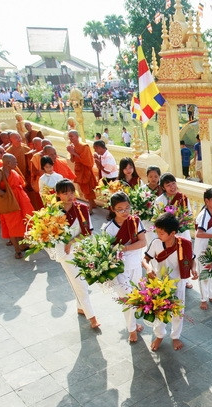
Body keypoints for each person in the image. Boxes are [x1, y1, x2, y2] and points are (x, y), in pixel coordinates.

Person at [142, 212, 198, 351]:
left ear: (172, 233)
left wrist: (194, 269)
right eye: (157, 232)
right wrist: (149, 268)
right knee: (159, 310)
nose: (158, 235)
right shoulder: (156, 243)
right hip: (159, 283)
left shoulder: (184, 244)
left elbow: (192, 259)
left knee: (177, 311)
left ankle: (175, 336)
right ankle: (159, 335)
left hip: (178, 283)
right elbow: (145, 259)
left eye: (161, 233)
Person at [102, 192, 147, 343]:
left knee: (135, 295)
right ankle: (132, 329)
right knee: (127, 298)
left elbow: (142, 242)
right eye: (120, 209)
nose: (125, 212)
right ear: (113, 209)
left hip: (135, 265)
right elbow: (107, 252)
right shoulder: (109, 228)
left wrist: (125, 249)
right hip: (119, 268)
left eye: (127, 208)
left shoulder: (135, 221)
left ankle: (133, 323)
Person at [54, 179, 100, 329]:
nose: (69, 195)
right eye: (65, 193)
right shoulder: (53, 212)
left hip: (80, 248)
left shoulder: (82, 208)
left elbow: (88, 232)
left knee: (82, 281)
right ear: (58, 195)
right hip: (64, 252)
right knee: (79, 283)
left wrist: (71, 242)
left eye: (72, 192)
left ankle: (81, 307)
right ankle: (92, 317)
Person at [0, 154, 35, 258]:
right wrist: (7, 195)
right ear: (8, 163)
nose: (16, 163)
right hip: (9, 202)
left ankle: (23, 245)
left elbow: (21, 183)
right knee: (12, 224)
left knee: (23, 221)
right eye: (15, 161)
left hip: (20, 199)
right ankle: (17, 250)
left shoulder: (13, 171)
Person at [66, 130, 98, 211]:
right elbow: (73, 160)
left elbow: (88, 162)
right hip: (79, 170)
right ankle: (93, 204)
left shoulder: (84, 146)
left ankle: (90, 207)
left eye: (72, 136)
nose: (70, 138)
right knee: (84, 189)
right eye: (69, 136)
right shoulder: (72, 146)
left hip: (86, 170)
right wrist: (71, 152)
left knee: (88, 189)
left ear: (77, 136)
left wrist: (74, 152)